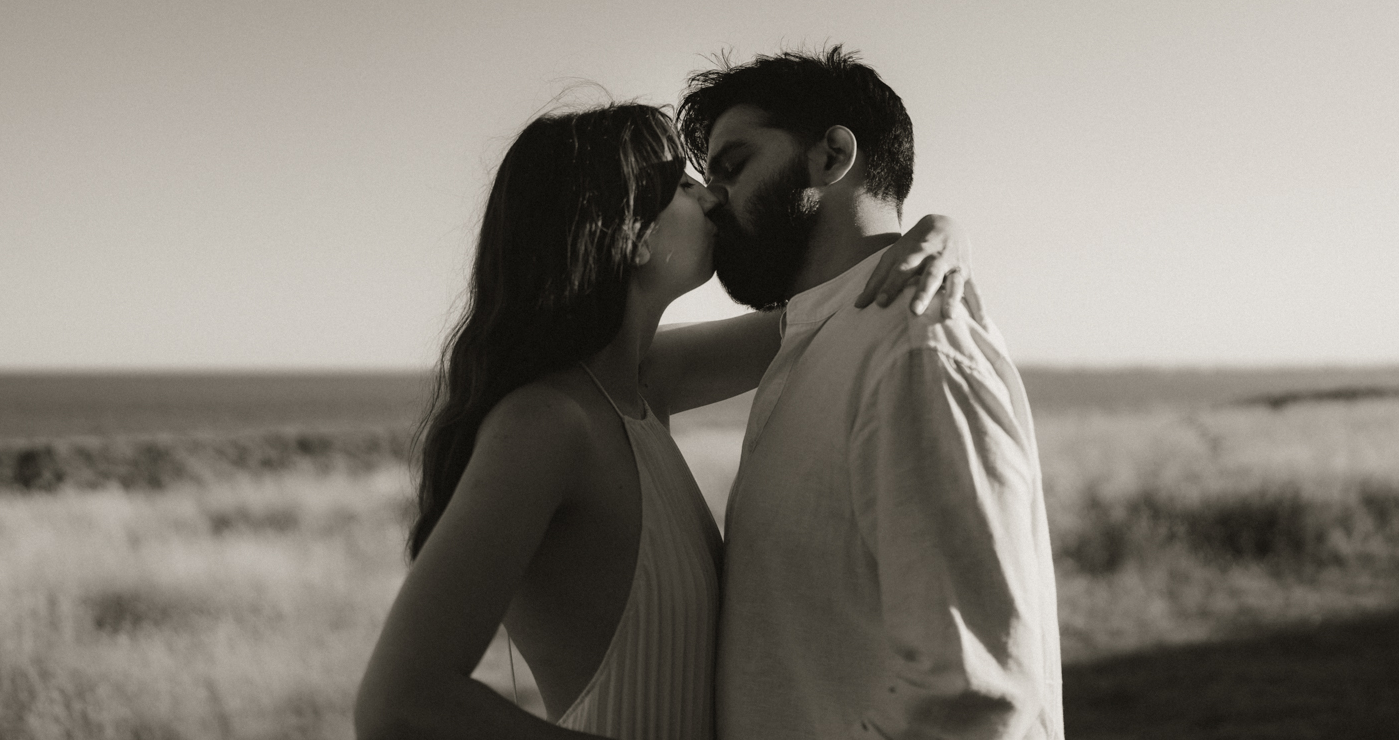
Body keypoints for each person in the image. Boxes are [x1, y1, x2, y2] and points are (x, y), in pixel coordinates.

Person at [353, 101, 965, 740]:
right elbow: (400, 702)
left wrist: (944, 233)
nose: (713, 197)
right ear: (633, 233)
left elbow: (840, 308)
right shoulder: (548, 424)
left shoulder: (638, 385)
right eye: (682, 185)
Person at [678, 47, 1063, 740]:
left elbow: (974, 691)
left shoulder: (914, 346)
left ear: (832, 156)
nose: (713, 198)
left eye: (733, 166)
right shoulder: (819, 335)